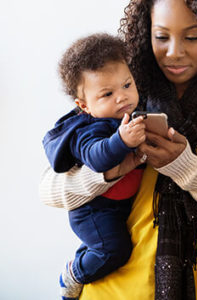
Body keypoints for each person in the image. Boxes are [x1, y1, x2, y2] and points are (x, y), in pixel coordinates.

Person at [39, 0, 197, 299]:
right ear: (146, 31)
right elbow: (49, 190)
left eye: (192, 37)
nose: (174, 51)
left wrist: (186, 168)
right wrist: (108, 172)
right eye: (161, 37)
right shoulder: (121, 87)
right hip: (111, 289)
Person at [42, 33, 146, 299]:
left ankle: (84, 260)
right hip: (94, 211)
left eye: (127, 85)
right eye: (107, 94)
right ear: (84, 106)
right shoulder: (86, 129)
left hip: (119, 206)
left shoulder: (134, 115)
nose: (122, 97)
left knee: (107, 244)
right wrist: (121, 140)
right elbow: (97, 158)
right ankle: (73, 274)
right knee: (114, 250)